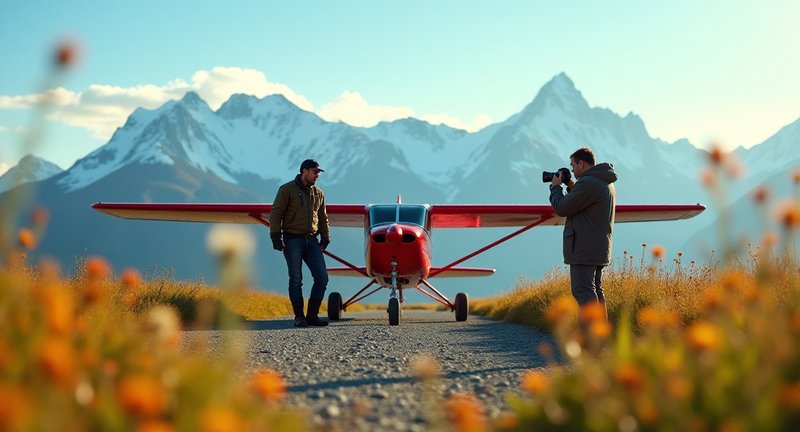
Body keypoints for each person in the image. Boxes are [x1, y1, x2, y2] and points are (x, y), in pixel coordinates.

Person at [549, 147, 617, 321]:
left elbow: (562, 208)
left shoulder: (588, 183)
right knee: (595, 290)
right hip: (598, 246)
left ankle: (590, 341)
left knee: (583, 291)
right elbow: (584, 204)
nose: (571, 169)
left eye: (572, 165)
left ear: (581, 163)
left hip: (584, 248)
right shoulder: (604, 182)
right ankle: (600, 339)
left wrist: (556, 188)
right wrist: (572, 187)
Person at [270, 159, 331, 327]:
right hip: (292, 240)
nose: (317, 175)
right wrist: (276, 237)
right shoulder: (286, 190)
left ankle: (312, 316)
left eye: (318, 172)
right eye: (315, 172)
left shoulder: (318, 193)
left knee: (322, 278)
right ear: (304, 171)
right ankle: (299, 317)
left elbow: (323, 217)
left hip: (312, 240)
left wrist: (326, 236)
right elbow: (276, 214)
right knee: (296, 279)